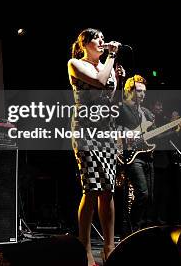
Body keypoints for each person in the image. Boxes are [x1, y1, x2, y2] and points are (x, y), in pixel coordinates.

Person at [68, 28, 123, 266]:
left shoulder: (106, 68)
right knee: (91, 187)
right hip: (86, 131)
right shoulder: (76, 64)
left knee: (108, 188)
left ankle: (109, 247)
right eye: (97, 39)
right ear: (85, 44)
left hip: (107, 131)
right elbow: (99, 83)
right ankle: (85, 249)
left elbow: (112, 99)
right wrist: (111, 58)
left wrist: (119, 81)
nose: (102, 41)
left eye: (103, 38)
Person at [116, 75, 155, 233]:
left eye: (144, 92)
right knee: (142, 194)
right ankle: (132, 229)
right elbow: (111, 128)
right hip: (132, 156)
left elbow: (153, 134)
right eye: (139, 91)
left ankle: (139, 228)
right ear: (129, 90)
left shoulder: (146, 113)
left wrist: (175, 128)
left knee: (149, 197)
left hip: (147, 155)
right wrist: (128, 134)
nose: (142, 94)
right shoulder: (120, 107)